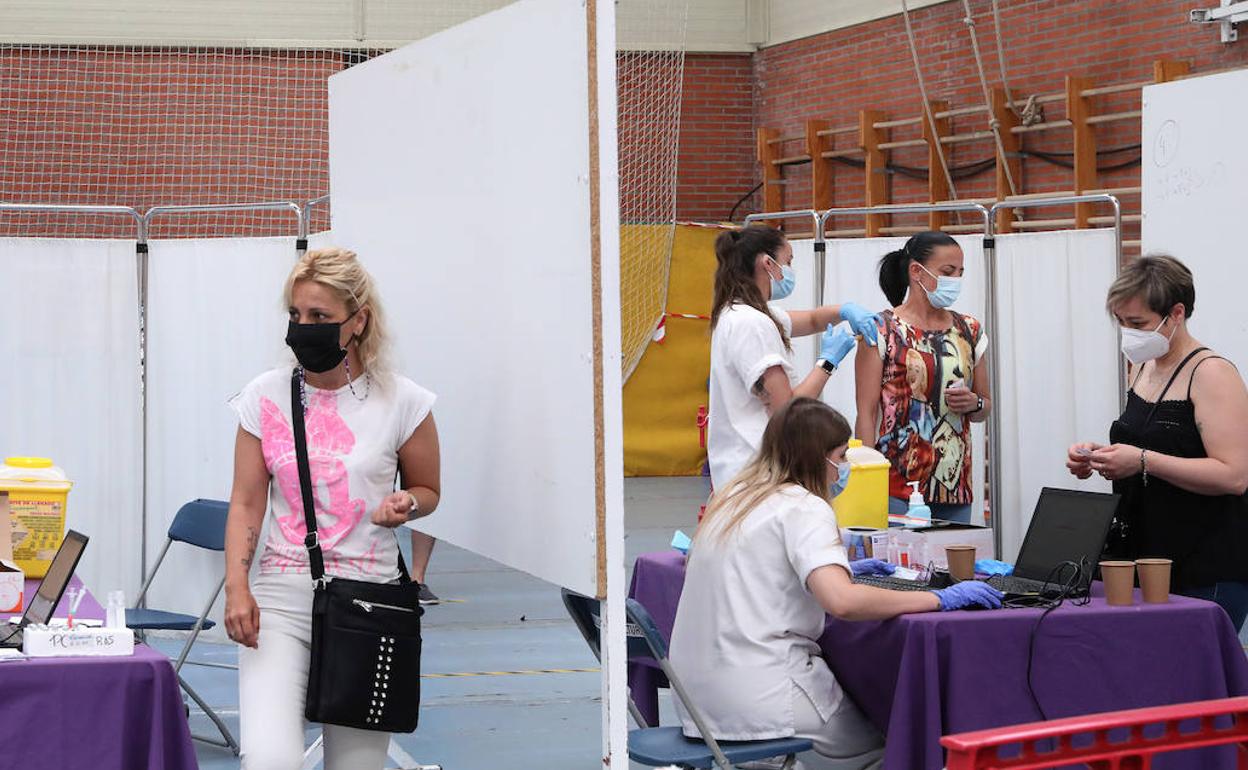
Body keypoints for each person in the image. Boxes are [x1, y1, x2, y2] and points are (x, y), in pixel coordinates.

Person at [670, 398, 1000, 770]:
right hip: (765, 696)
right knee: (894, 749)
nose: (843, 468)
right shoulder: (805, 507)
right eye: (841, 456)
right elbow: (841, 602)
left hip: (698, 701)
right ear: (817, 457)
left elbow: (757, 568)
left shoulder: (732, 497)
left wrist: (842, 568)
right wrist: (937, 599)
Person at [223, 247, 441, 769]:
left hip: (368, 602)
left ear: (358, 320)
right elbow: (247, 500)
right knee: (268, 759)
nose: (304, 328)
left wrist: (407, 503)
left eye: (320, 317)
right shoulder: (266, 396)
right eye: (296, 316)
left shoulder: (404, 401)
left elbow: (429, 490)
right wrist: (237, 588)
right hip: (279, 599)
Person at [1066, 254, 1248, 630]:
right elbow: (1148, 443)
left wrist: (1143, 461)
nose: (1128, 333)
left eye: (1137, 323)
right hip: (1144, 555)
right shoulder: (1143, 365)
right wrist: (1100, 457)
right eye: (1120, 322)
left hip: (1204, 564)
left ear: (1176, 314)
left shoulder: (1212, 373)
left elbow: (1234, 475)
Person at [708, 224, 880, 490]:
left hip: (748, 469)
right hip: (756, 472)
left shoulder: (749, 314)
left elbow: (812, 320)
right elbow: (786, 409)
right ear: (768, 263)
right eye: (788, 261)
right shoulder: (750, 323)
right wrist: (827, 362)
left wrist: (847, 310)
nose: (790, 271)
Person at [854, 232, 990, 524]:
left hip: (953, 483)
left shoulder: (969, 329)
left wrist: (974, 403)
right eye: (947, 272)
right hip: (894, 481)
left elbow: (985, 406)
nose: (955, 280)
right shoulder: (881, 329)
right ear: (917, 271)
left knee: (951, 567)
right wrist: (865, 478)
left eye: (960, 273)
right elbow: (865, 413)